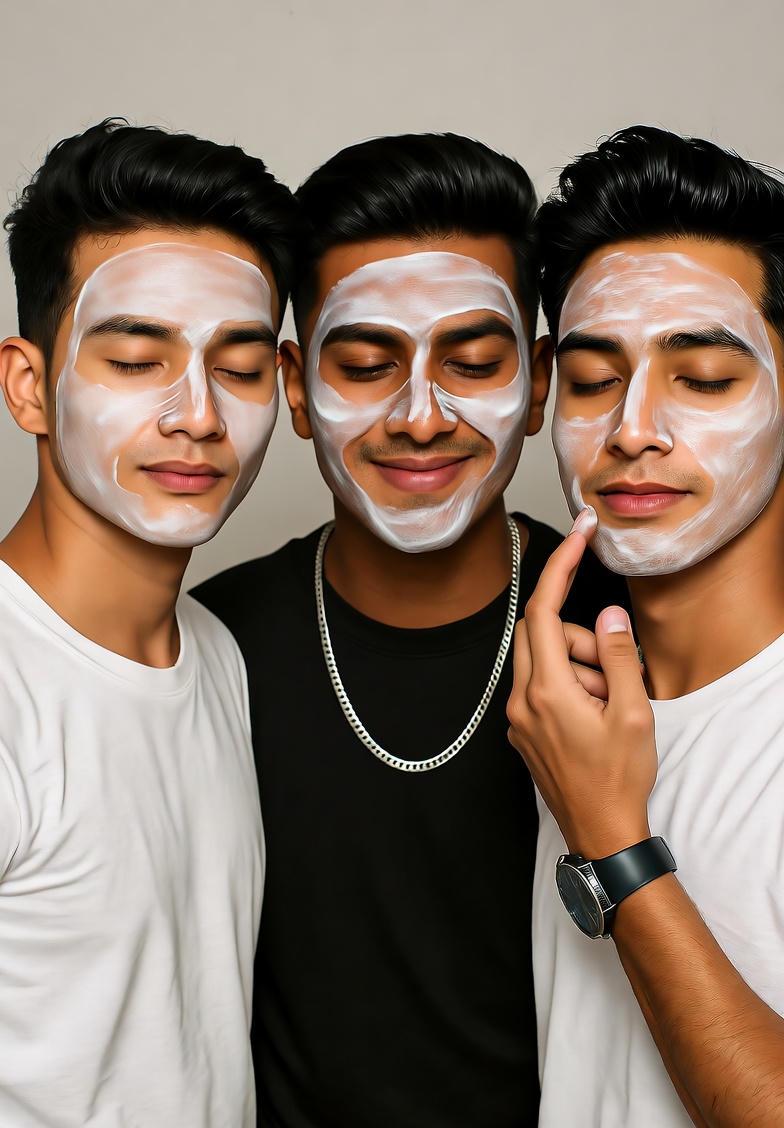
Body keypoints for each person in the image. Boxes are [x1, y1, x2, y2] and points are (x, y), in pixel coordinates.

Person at [192, 132, 627, 1127]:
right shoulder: (209, 645)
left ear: (538, 379)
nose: (421, 416)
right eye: (364, 364)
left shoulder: (630, 635)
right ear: (298, 389)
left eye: (473, 361)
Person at [0, 118, 299, 1127]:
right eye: (136, 360)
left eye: (243, 366)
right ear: (29, 386)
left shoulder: (218, 653)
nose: (199, 414)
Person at [506, 126, 784, 1126]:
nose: (630, 428)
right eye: (589, 381)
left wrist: (613, 841)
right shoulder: (565, 712)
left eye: (703, 378)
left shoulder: (587, 774)